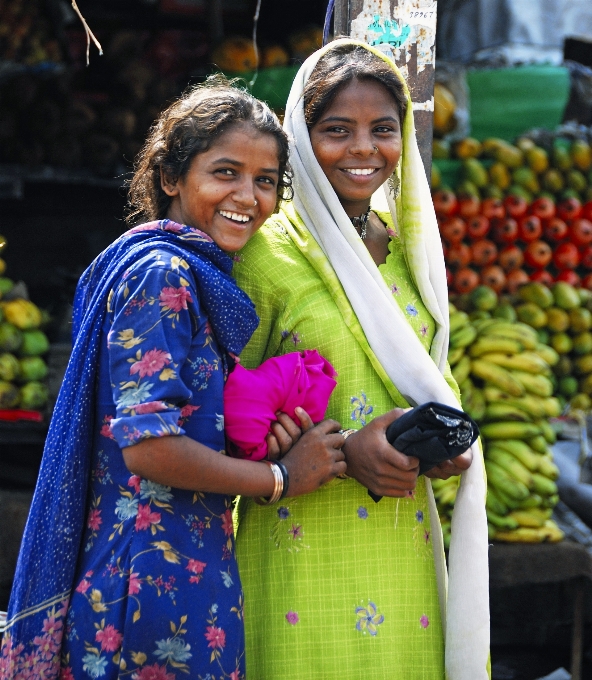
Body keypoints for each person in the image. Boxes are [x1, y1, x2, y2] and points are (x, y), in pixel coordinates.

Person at [0, 78, 346, 680]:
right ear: (170, 179)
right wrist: (280, 478)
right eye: (225, 172)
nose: (248, 196)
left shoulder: (193, 277)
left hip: (180, 577)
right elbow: (150, 446)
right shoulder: (163, 275)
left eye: (266, 181)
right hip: (147, 594)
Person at [232, 40, 490, 680]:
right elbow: (218, 409)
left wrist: (446, 446)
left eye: (383, 130)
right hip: (299, 548)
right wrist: (345, 450)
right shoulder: (265, 257)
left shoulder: (411, 256)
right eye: (336, 131)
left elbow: (439, 385)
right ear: (299, 136)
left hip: (401, 548)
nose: (363, 150)